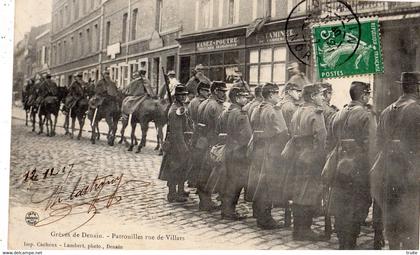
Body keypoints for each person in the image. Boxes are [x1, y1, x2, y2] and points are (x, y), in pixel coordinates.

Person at [372, 72, 420, 250]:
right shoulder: (417, 110)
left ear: (402, 86)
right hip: (411, 176)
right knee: (411, 224)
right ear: (417, 87)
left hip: (388, 173)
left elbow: (378, 144)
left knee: (392, 221)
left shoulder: (386, 111)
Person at [326, 81, 376, 249]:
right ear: (363, 96)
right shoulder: (366, 115)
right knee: (357, 204)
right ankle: (350, 243)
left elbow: (330, 141)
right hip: (358, 168)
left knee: (341, 203)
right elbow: (372, 145)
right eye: (368, 94)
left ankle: (342, 241)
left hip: (339, 165)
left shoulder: (338, 114)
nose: (369, 97)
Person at [282, 83, 327, 241]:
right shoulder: (316, 113)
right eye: (321, 94)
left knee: (298, 191)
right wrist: (322, 161)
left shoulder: (298, 110)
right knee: (308, 192)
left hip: (297, 155)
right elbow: (321, 139)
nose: (323, 97)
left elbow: (292, 132)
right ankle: (304, 230)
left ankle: (298, 229)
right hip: (311, 157)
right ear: (313, 96)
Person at [247, 83, 289, 229]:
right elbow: (282, 133)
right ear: (271, 95)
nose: (279, 96)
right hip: (270, 151)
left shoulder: (256, 108)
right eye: (277, 93)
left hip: (257, 150)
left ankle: (258, 213)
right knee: (267, 184)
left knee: (258, 182)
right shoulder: (274, 110)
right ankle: (265, 219)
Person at [217, 87, 251, 220]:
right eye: (243, 97)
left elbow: (219, 127)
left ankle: (226, 209)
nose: (246, 99)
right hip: (239, 152)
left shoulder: (227, 111)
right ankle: (229, 211)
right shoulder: (241, 114)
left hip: (229, 149)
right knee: (236, 183)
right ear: (237, 98)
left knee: (229, 180)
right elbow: (247, 136)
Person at [195, 81, 228, 211]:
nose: (224, 94)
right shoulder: (216, 106)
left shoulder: (203, 103)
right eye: (222, 91)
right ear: (215, 91)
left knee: (203, 171)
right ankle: (206, 202)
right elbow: (219, 126)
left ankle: (203, 201)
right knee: (210, 173)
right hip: (213, 142)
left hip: (202, 141)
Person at [158, 85, 191, 203]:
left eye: (185, 95)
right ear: (176, 96)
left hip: (180, 141)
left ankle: (180, 190)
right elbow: (177, 131)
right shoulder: (175, 110)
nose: (183, 97)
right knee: (174, 169)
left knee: (182, 167)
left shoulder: (179, 107)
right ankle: (172, 194)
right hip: (176, 144)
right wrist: (183, 147)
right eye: (181, 95)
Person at [187, 82, 211, 188]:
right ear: (201, 91)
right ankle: (195, 181)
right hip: (199, 133)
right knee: (199, 159)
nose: (208, 92)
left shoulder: (194, 101)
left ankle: (192, 180)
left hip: (195, 132)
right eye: (206, 90)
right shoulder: (199, 102)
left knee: (196, 158)